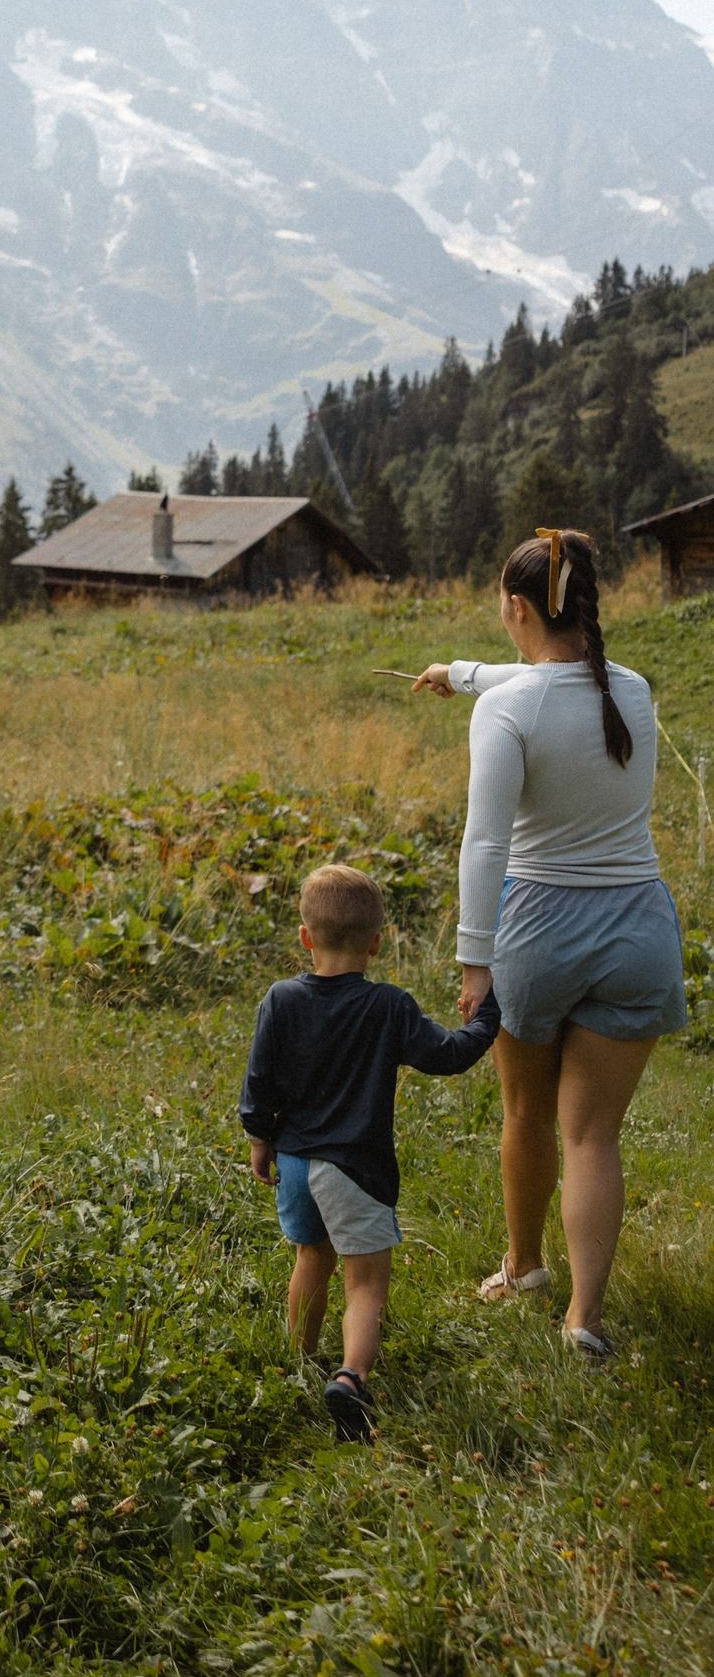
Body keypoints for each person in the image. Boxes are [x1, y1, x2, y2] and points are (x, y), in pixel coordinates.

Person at [414, 524, 682, 1361]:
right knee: (592, 1136)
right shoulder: (632, 690)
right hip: (637, 927)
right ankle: (584, 1321)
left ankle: (525, 1267)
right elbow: (550, 683)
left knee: (527, 1112)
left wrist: (472, 958)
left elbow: (485, 843)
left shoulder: (510, 710)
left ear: (518, 606)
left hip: (537, 929)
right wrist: (460, 675)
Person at [241, 861, 501, 1441]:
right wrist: (488, 1016)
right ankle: (351, 1378)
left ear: (306, 937)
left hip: (297, 1164)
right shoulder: (387, 1006)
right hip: (353, 1169)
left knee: (312, 1258)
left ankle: (300, 1361)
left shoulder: (280, 999)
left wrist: (260, 1139)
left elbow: (259, 1080)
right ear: (377, 943)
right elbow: (449, 1055)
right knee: (365, 1285)